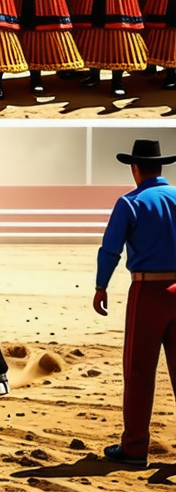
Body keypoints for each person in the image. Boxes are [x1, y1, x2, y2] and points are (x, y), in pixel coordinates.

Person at [95, 139, 176, 467]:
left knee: (140, 370)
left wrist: (101, 286)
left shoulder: (130, 202)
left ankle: (135, 447)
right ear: (161, 168)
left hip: (148, 292)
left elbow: (110, 249)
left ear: (135, 168)